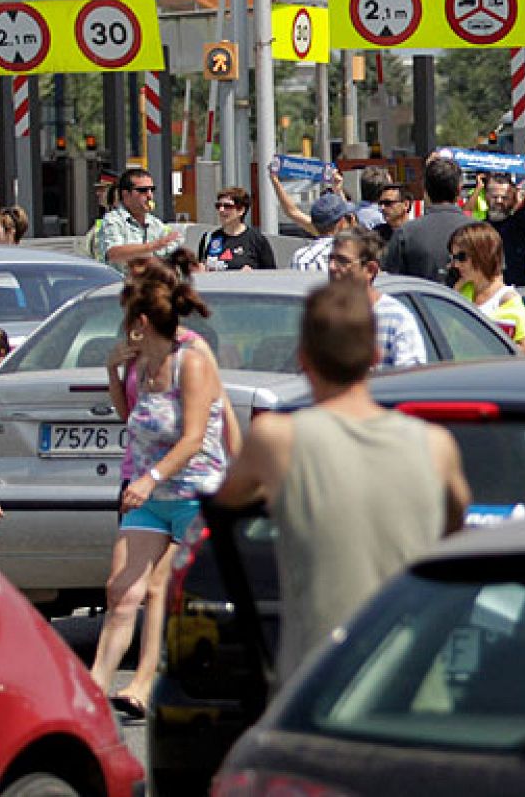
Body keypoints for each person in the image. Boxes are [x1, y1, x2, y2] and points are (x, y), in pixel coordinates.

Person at [211, 279, 471, 682]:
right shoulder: (436, 446)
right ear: (376, 355)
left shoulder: (277, 439)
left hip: (319, 687)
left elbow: (226, 501)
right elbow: (455, 525)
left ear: (303, 358)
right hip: (415, 686)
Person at [91, 266, 226, 716]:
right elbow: (129, 415)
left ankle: (146, 683)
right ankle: (93, 690)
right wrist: (113, 371)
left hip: (193, 493)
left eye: (128, 318)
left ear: (142, 322)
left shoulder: (192, 360)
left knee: (159, 588)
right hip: (151, 499)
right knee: (121, 591)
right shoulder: (141, 363)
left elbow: (192, 438)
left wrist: (149, 478)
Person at [328, 228, 427, 369]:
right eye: (330, 259)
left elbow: (411, 378)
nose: (332, 267)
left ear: (370, 270)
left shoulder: (396, 319)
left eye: (342, 261)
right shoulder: (323, 315)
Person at [383, 154, 470, 284]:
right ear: (459, 189)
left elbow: (392, 283)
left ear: (425, 190)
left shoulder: (406, 234)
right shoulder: (481, 233)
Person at [450, 222, 525, 354]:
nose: (455, 264)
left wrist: (487, 340)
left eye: (461, 257)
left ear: (482, 255)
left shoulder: (507, 300)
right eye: (453, 257)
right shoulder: (460, 291)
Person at [96, 168, 181, 273]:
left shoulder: (156, 224)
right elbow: (113, 253)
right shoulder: (113, 220)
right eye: (142, 190)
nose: (149, 195)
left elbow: (172, 254)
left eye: (152, 190)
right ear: (126, 194)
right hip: (122, 282)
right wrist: (152, 246)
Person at [197, 187, 276, 271]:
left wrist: (252, 274)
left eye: (227, 206)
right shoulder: (209, 237)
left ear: (241, 210)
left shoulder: (256, 239)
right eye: (218, 206)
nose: (221, 210)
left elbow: (272, 274)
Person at [290, 193, 357, 272]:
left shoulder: (300, 257)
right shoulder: (354, 254)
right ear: (341, 222)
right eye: (347, 218)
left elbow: (292, 212)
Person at [370, 176, 413, 243]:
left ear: (406, 204)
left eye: (388, 203)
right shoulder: (376, 235)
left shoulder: (417, 233)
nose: (382, 207)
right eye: (380, 203)